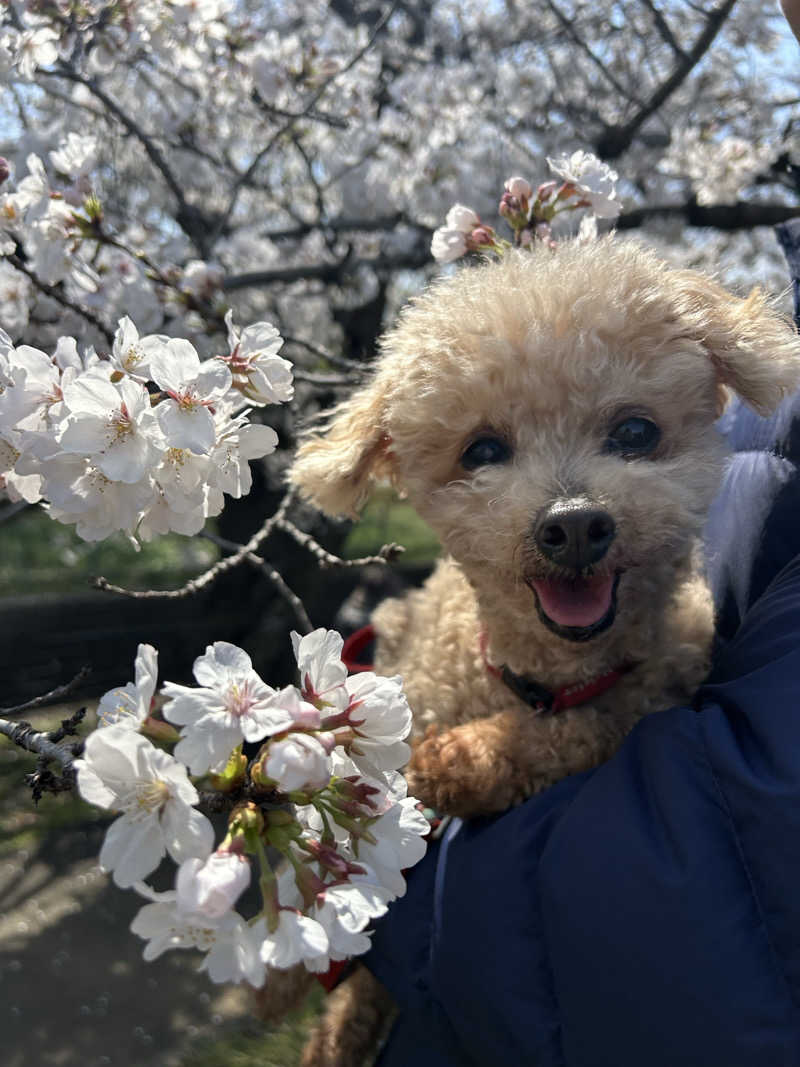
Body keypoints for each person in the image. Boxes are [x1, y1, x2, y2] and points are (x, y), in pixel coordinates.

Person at [361, 220, 800, 1066]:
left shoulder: (688, 659)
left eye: (631, 433)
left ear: (711, 395)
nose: (569, 512)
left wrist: (535, 747)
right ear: (396, 455)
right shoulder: (432, 660)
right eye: (486, 451)